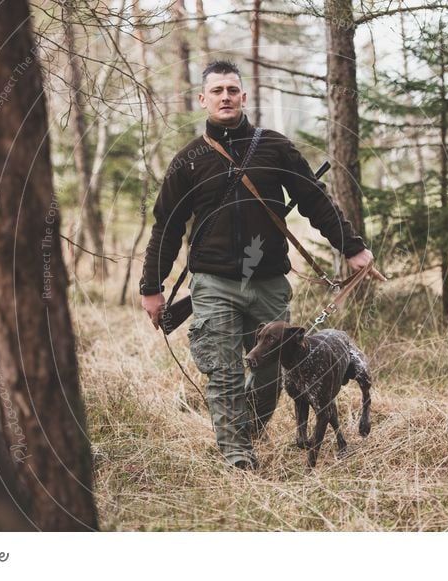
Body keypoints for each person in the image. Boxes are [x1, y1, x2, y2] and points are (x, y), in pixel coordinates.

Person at [140, 60, 383, 470]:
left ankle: (247, 430)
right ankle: (237, 453)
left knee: (270, 378)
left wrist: (352, 247)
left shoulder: (275, 147)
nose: (225, 97)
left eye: (232, 90)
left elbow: (314, 200)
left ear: (244, 97)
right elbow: (167, 226)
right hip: (213, 283)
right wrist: (152, 287)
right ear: (203, 100)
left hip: (269, 281)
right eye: (216, 91)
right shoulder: (188, 160)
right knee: (224, 372)